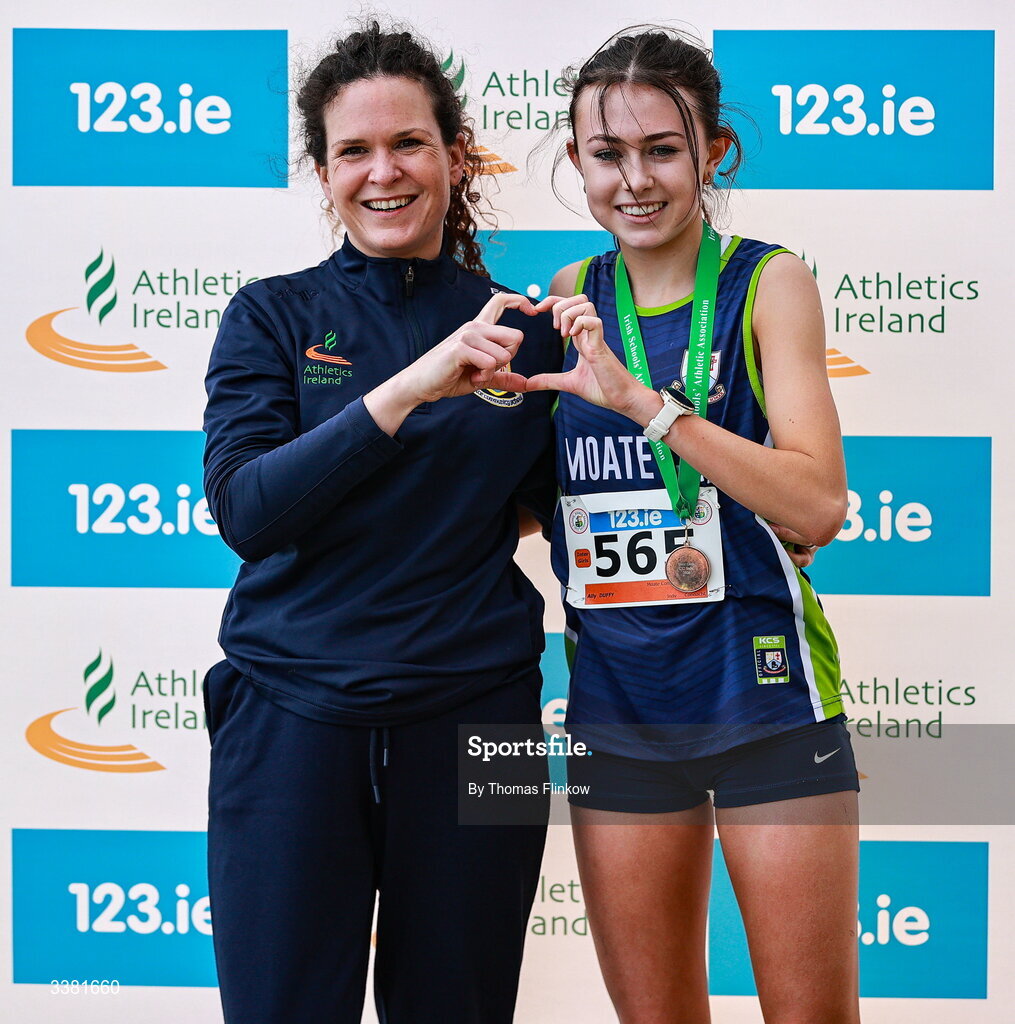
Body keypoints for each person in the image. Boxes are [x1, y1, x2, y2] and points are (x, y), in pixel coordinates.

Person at [201, 22, 560, 1024]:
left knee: (463, 1007)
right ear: (324, 173)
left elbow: (557, 507)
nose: (383, 171)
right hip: (289, 714)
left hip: (481, 723)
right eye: (353, 150)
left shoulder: (525, 331)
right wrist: (408, 389)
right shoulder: (269, 317)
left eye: (407, 143)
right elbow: (248, 509)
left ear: (455, 156)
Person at [505, 27, 861, 1024]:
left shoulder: (767, 280)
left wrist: (650, 408)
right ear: (575, 162)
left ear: (713, 154)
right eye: (606, 154)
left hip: (765, 702)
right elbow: (555, 499)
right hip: (620, 709)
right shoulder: (566, 299)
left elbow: (817, 504)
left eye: (661, 149)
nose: (634, 180)